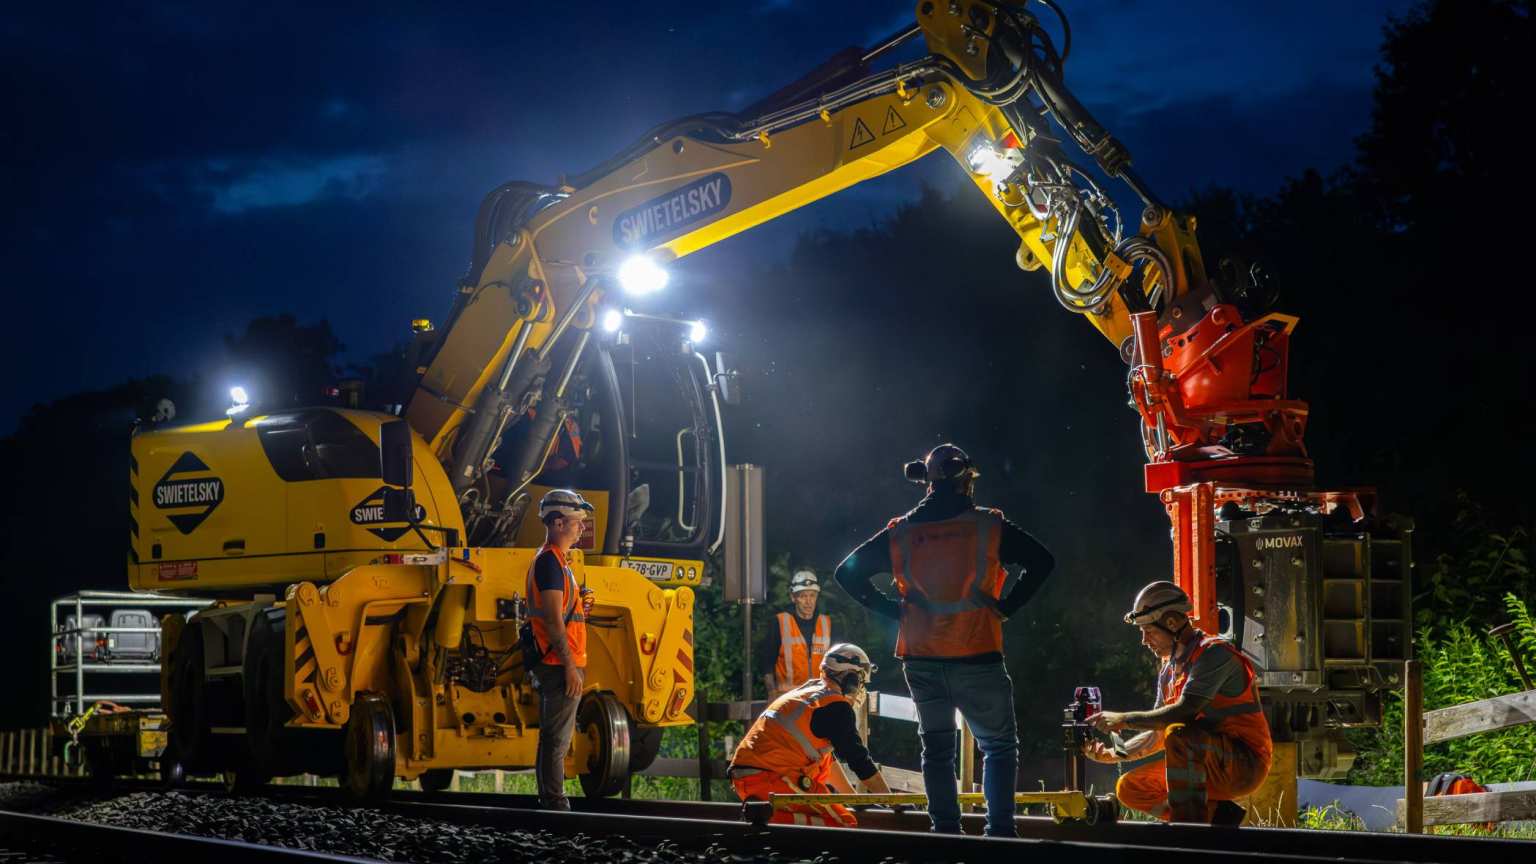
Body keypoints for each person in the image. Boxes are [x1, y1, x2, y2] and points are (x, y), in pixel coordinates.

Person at [835, 443, 1055, 838]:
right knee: (998, 747)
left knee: (936, 750)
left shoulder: (901, 533)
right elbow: (1043, 561)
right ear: (966, 481)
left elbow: (846, 573)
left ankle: (946, 833)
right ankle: (1000, 834)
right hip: (978, 653)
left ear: (927, 483)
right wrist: (1009, 606)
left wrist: (892, 609)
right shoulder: (987, 526)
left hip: (921, 657)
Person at [1084, 581, 1273, 825]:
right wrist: (1112, 754)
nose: (1144, 640)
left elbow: (1184, 711)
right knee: (1130, 788)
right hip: (1206, 761)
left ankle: (1187, 835)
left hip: (1244, 765)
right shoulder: (1169, 670)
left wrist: (1123, 719)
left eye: (1149, 631)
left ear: (1171, 623)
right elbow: (1156, 735)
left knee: (1179, 733)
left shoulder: (1214, 655)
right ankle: (1218, 820)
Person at [729, 644, 893, 826]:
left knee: (830, 802)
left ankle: (767, 819)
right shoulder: (836, 707)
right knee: (845, 823)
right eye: (860, 682)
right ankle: (767, 817)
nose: (859, 689)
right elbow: (861, 762)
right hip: (772, 778)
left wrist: (853, 800)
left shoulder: (809, 695)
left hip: (752, 776)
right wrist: (892, 803)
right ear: (851, 679)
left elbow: (827, 763)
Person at [525, 488, 597, 811]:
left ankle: (550, 799)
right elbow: (554, 622)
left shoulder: (558, 564)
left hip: (558, 659)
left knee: (553, 736)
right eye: (575, 521)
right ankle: (555, 803)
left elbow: (563, 615)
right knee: (557, 738)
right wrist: (569, 665)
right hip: (557, 662)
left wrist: (581, 603)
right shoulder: (550, 564)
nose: (581, 527)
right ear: (557, 523)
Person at [757, 569, 833, 699]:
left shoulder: (826, 624)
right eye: (803, 596)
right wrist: (771, 692)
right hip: (788, 701)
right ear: (793, 597)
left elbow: (835, 665)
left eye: (812, 595)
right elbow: (767, 662)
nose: (808, 602)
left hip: (819, 700)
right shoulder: (780, 622)